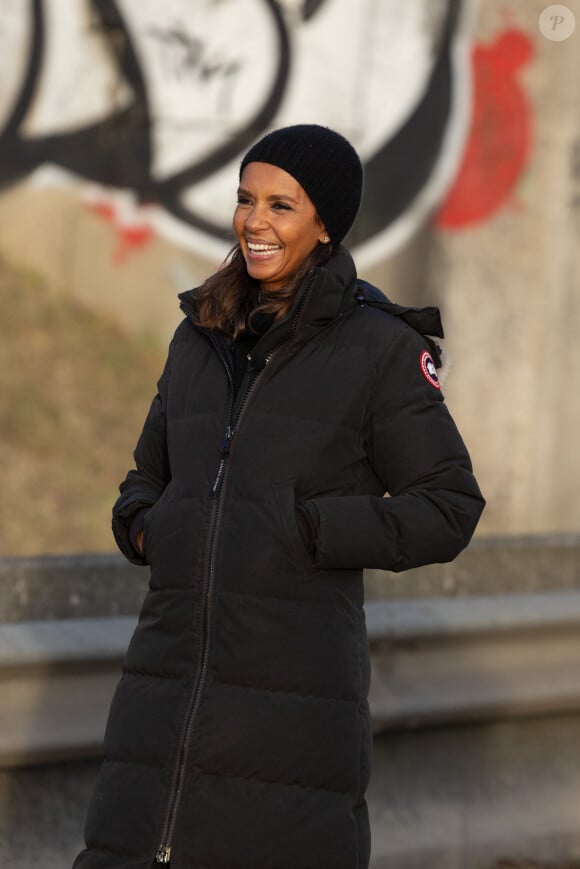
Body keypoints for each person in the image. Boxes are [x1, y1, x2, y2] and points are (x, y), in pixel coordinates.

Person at [73, 124, 485, 869]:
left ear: (326, 224)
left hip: (291, 721)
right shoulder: (200, 333)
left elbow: (450, 504)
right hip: (161, 705)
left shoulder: (380, 350)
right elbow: (144, 482)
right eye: (245, 199)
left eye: (281, 205)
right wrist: (149, 529)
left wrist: (310, 529)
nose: (254, 221)